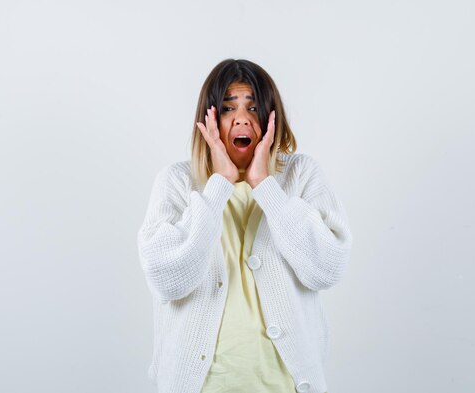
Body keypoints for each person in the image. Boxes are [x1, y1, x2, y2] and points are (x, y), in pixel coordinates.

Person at [137, 58, 352, 393]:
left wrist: (265, 185)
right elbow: (168, 280)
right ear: (208, 119)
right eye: (226, 108)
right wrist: (220, 182)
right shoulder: (177, 182)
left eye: (253, 107)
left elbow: (327, 269)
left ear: (270, 117)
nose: (241, 118)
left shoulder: (301, 175)